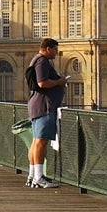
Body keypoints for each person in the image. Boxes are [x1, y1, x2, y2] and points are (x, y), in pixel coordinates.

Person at [27, 37, 68, 189]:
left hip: (39, 105)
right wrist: (59, 82)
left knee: (36, 141)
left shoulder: (37, 60)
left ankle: (32, 176)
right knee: (41, 142)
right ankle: (39, 177)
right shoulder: (42, 61)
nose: (57, 53)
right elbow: (42, 83)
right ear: (48, 49)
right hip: (44, 106)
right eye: (56, 50)